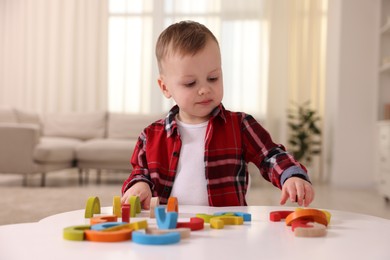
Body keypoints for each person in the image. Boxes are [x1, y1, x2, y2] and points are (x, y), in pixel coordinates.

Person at [121, 20, 314, 209]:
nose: (204, 89)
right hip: (171, 228)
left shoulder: (240, 125)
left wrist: (291, 175)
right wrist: (139, 185)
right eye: (190, 83)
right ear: (165, 87)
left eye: (213, 78)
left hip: (226, 228)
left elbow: (270, 156)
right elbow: (140, 172)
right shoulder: (151, 136)